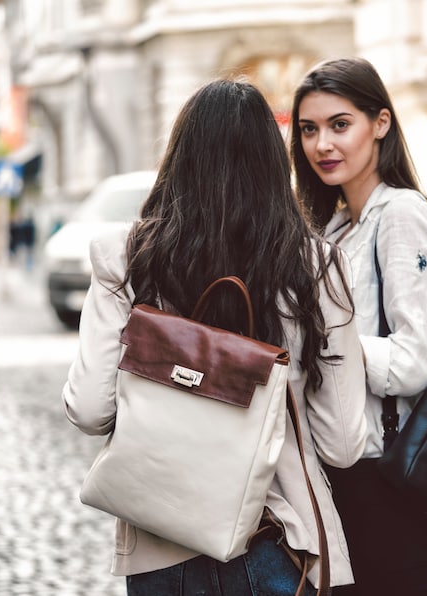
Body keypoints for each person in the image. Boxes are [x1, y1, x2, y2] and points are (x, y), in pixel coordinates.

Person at [62, 78, 368, 595]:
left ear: (178, 157)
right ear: (274, 165)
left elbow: (90, 410)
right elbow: (340, 443)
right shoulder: (314, 267)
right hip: (277, 538)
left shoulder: (127, 259)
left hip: (160, 540)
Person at [290, 57, 427, 595]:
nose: (322, 144)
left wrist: (327, 347)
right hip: (352, 477)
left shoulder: (402, 216)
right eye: (309, 129)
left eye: (340, 125)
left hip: (393, 480)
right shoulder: (341, 228)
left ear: (380, 124)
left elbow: (416, 363)